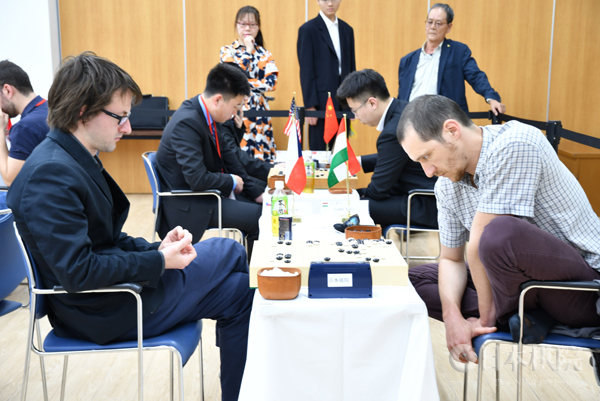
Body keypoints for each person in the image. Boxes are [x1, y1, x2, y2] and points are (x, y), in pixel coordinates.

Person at [6, 52, 254, 401]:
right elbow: (78, 271)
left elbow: (105, 238)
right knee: (231, 251)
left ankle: (240, 392)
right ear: (83, 111)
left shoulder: (70, 157)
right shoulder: (51, 174)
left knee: (240, 290)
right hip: (103, 309)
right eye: (120, 117)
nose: (128, 128)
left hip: (113, 294)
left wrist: (157, 248)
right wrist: (159, 261)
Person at [397, 94, 600, 367]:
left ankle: (503, 318)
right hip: (517, 282)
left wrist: (484, 318)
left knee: (498, 233)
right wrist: (452, 318)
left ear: (452, 131)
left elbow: (483, 243)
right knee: (412, 281)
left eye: (427, 156)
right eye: (419, 162)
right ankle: (525, 318)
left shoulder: (515, 143)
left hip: (581, 288)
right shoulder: (446, 186)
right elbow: (451, 259)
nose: (428, 171)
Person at [155, 63, 262, 256]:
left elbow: (230, 160)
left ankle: (247, 264)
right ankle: (251, 272)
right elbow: (197, 179)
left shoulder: (206, 114)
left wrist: (256, 192)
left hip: (206, 193)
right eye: (235, 106)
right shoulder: (187, 122)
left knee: (262, 204)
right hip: (189, 202)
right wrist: (231, 181)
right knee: (259, 217)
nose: (235, 113)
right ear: (218, 99)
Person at [336, 69, 437, 228]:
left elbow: (378, 191)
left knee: (352, 205)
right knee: (354, 197)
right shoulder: (404, 109)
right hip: (428, 195)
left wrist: (357, 195)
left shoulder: (392, 132)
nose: (355, 117)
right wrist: (359, 162)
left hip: (423, 204)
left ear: (372, 103)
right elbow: (399, 156)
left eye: (354, 110)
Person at [397, 3, 506, 116]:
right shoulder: (407, 60)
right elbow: (402, 96)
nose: (432, 27)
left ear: (449, 27)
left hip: (443, 119)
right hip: (411, 119)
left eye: (438, 23)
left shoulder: (458, 52)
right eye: (429, 22)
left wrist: (492, 98)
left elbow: (476, 76)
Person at [220, 5, 278, 162]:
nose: (247, 28)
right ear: (236, 25)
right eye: (243, 24)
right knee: (238, 155)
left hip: (260, 111)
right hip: (237, 109)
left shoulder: (265, 54)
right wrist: (248, 50)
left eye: (252, 24)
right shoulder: (227, 51)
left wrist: (245, 83)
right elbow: (233, 77)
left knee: (262, 157)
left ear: (258, 27)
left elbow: (271, 83)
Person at [297, 0, 355, 150]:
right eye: (325, 0)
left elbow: (351, 68)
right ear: (318, 1)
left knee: (341, 150)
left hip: (343, 101)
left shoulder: (347, 30)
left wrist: (353, 101)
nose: (330, 3)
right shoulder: (308, 30)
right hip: (320, 102)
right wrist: (310, 106)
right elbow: (306, 70)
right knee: (319, 151)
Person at [0, 60, 49, 208]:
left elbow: (10, 180)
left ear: (7, 90)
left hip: (46, 208)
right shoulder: (52, 108)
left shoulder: (25, 128)